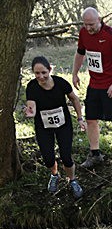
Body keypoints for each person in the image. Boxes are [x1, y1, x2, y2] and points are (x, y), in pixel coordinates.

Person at [72, 7, 112, 169]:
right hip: (94, 84)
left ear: (99, 19)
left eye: (91, 24)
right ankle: (95, 154)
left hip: (111, 84)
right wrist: (75, 73)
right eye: (85, 24)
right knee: (91, 118)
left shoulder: (111, 36)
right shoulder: (83, 33)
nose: (88, 28)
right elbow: (80, 53)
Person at [24, 56, 85, 200]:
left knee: (66, 156)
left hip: (63, 125)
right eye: (37, 73)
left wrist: (80, 118)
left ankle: (72, 180)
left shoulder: (60, 83)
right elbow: (31, 105)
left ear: (50, 70)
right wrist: (30, 112)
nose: (41, 76)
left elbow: (74, 99)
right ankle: (54, 175)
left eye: (44, 72)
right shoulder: (32, 86)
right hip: (43, 127)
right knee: (48, 158)